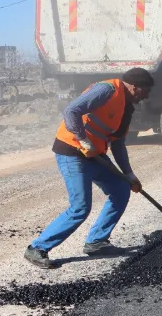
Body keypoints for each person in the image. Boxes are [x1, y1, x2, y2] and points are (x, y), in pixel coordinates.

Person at [23, 68, 154, 269]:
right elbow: (71, 111)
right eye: (146, 91)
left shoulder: (127, 107)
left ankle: (96, 242)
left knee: (120, 189)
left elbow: (118, 143)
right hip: (72, 150)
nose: (146, 96)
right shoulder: (107, 90)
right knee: (80, 207)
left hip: (94, 154)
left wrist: (129, 174)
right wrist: (83, 140)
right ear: (135, 87)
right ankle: (37, 248)